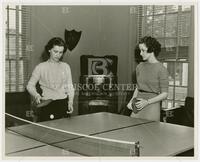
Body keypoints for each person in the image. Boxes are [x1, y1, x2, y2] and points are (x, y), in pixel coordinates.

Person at [27, 37, 74, 122]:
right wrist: (36, 95)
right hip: (47, 105)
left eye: (61, 52)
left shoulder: (66, 66)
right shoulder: (40, 67)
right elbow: (30, 85)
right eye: (55, 51)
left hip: (63, 104)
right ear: (49, 50)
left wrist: (70, 102)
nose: (58, 55)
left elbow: (70, 87)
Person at [127, 36, 169, 121]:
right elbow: (138, 88)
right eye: (140, 50)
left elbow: (165, 94)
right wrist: (131, 101)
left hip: (152, 105)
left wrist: (147, 102)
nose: (140, 53)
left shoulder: (161, 69)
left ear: (151, 50)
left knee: (149, 131)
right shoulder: (139, 67)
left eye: (143, 50)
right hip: (138, 104)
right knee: (132, 129)